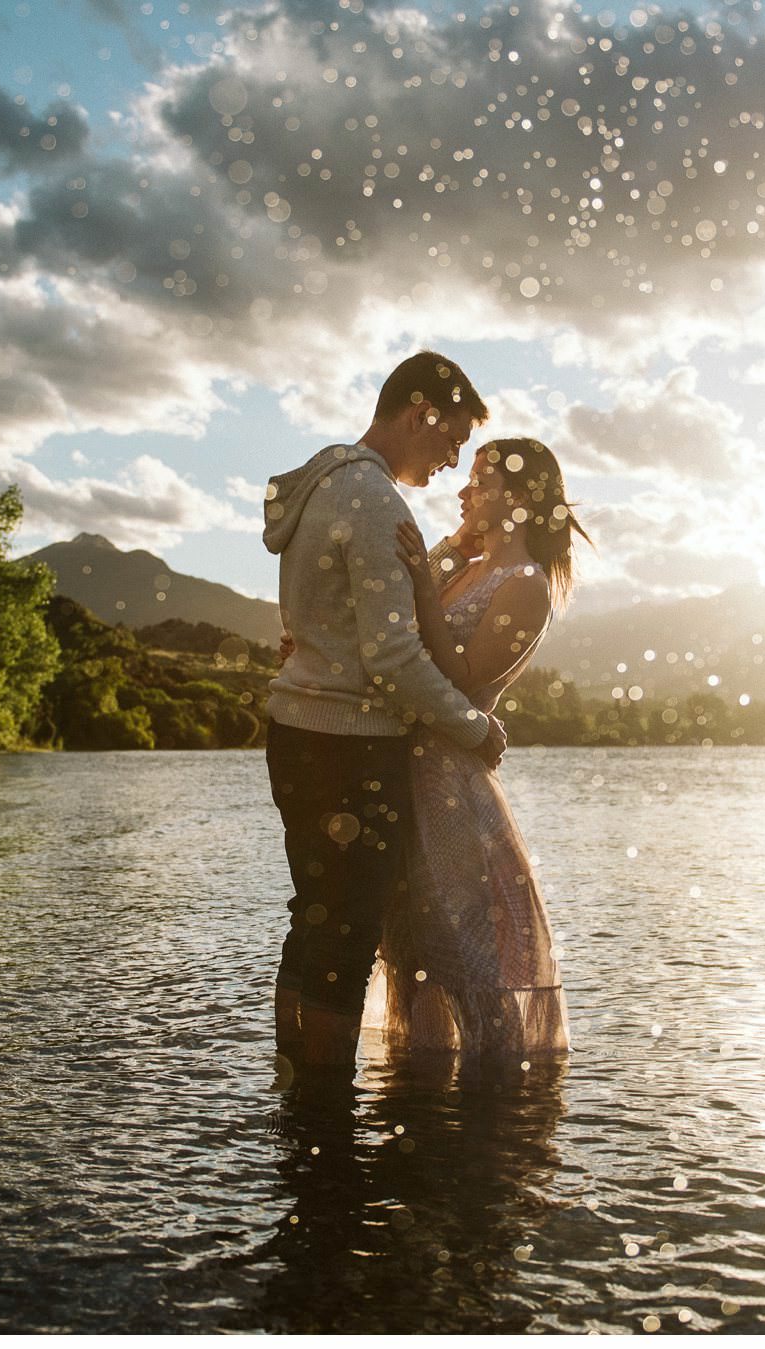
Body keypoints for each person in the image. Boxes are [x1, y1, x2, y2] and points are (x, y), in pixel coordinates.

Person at [261, 351, 507, 1075]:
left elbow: (353, 607)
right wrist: (474, 729)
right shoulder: (372, 500)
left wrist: (440, 555)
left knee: (314, 916)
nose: (453, 458)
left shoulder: (327, 485)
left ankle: (294, 1092)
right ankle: (326, 1109)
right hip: (352, 748)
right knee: (348, 933)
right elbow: (392, 656)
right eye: (451, 437)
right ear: (418, 413)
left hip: (297, 734)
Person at [361, 436, 590, 1068]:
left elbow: (460, 678)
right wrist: (439, 559)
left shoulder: (526, 586)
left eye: (481, 482)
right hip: (403, 774)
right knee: (409, 951)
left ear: (516, 500)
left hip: (451, 789)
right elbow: (395, 625)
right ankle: (422, 1094)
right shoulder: (470, 569)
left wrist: (423, 582)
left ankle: (496, 1109)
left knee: (465, 954)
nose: (464, 491)